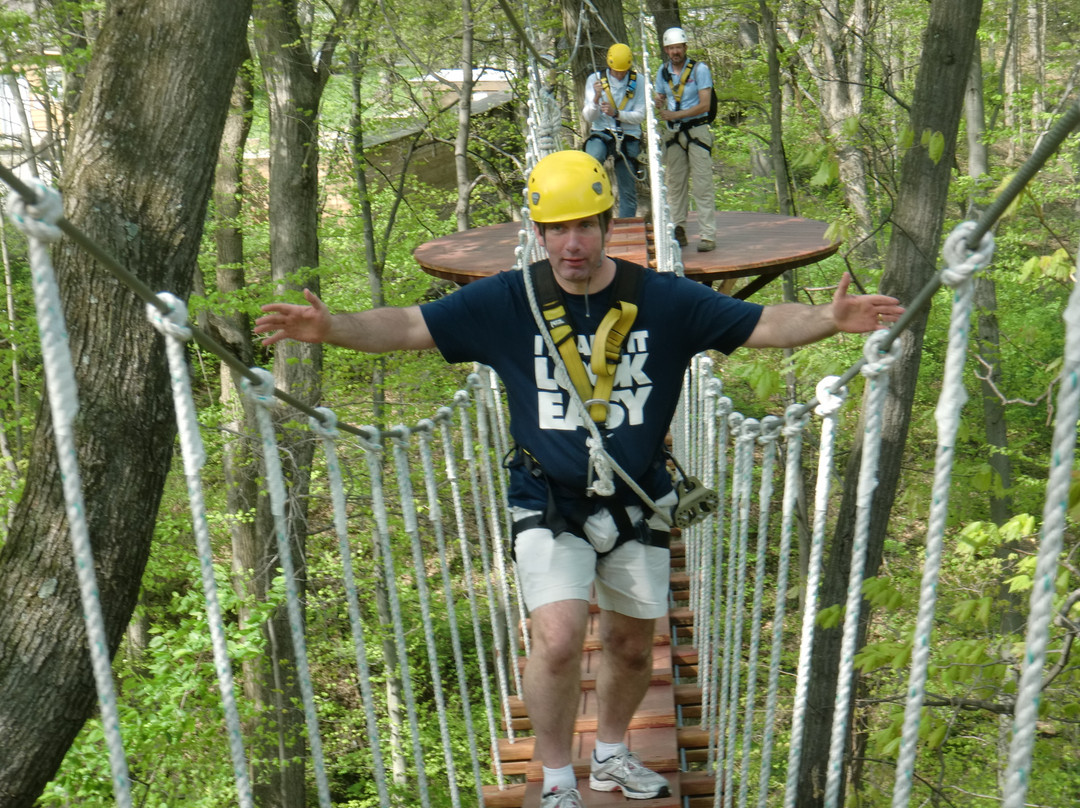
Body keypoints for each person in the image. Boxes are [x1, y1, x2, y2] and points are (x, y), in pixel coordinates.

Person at [254, 150, 904, 808]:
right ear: (538, 234)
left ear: (606, 225)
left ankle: (613, 754)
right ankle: (560, 777)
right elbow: (409, 324)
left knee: (631, 647)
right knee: (560, 638)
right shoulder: (508, 301)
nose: (572, 244)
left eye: (585, 227)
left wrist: (829, 319)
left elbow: (760, 323)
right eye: (557, 229)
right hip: (547, 499)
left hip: (639, 499)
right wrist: (330, 328)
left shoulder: (663, 299)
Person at [654, 26, 716, 252]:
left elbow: (705, 104)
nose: (675, 52)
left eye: (678, 47)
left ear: (685, 47)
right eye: (671, 48)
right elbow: (661, 96)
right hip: (674, 133)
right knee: (675, 185)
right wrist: (659, 101)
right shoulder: (663, 72)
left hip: (696, 130)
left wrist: (676, 115)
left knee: (702, 185)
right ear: (666, 50)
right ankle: (678, 230)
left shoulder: (700, 70)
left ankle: (707, 235)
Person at [582, 42, 646, 219]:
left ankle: (626, 223)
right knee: (591, 163)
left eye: (623, 71)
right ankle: (593, 214)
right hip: (602, 131)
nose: (619, 75)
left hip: (628, 134)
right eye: (616, 71)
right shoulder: (595, 80)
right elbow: (589, 117)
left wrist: (617, 114)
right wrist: (596, 97)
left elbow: (640, 115)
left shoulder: (638, 81)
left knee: (627, 186)